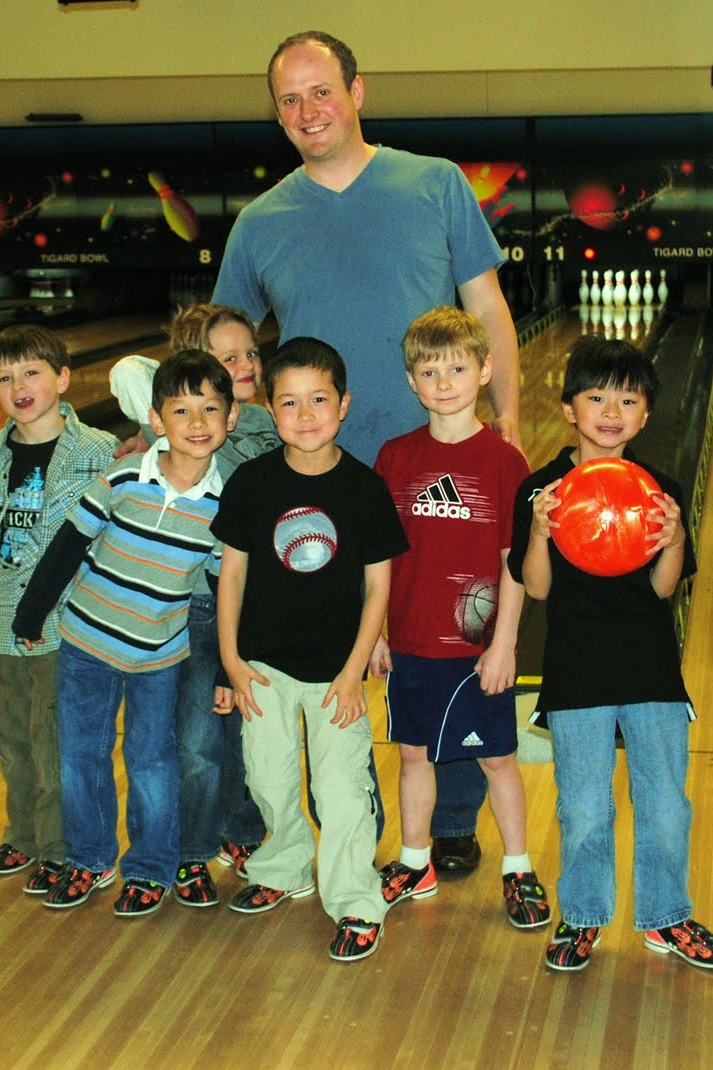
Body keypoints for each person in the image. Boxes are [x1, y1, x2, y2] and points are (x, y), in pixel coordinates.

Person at [213, 29, 523, 870]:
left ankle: (450, 821)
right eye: (289, 100)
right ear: (276, 115)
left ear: (358, 90)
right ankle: (362, 819)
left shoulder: (434, 183)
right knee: (328, 649)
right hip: (317, 475)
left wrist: (511, 420)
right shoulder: (260, 219)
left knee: (446, 638)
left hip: (440, 462)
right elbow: (225, 344)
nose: (308, 111)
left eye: (321, 91)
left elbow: (487, 308)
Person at [510, 336, 713, 974]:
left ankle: (668, 917)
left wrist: (674, 538)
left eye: (628, 400)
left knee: (665, 802)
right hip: (577, 671)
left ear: (645, 415)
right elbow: (537, 587)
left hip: (650, 670)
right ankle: (582, 917)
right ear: (568, 408)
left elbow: (664, 589)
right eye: (596, 396)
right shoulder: (542, 490)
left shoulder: (659, 488)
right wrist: (537, 530)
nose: (611, 411)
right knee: (583, 805)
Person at [13, 350, 237, 917]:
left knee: (152, 762)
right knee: (80, 755)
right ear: (156, 420)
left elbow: (226, 587)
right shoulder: (122, 478)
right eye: (181, 410)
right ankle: (89, 859)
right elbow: (69, 546)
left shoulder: (224, 504)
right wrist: (30, 613)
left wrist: (237, 662)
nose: (196, 422)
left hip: (160, 657)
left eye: (210, 409)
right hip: (87, 642)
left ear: (230, 419)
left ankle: (150, 868)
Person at [212, 337, 407, 962]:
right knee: (268, 778)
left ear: (343, 405)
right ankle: (285, 865)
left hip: (335, 672)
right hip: (262, 665)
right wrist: (231, 661)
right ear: (270, 407)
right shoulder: (251, 482)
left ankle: (354, 900)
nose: (304, 415)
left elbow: (379, 586)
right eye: (289, 402)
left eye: (318, 400)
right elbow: (233, 576)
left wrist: (355, 672)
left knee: (343, 787)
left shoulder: (364, 488)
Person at [369, 307, 548, 929]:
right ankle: (414, 860)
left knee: (498, 759)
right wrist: (375, 637)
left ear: (484, 370)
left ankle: (519, 867)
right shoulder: (395, 458)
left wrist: (505, 646)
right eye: (429, 370)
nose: (443, 381)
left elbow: (514, 564)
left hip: (476, 650)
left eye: (457, 367)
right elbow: (378, 559)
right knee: (414, 756)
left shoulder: (504, 463)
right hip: (412, 642)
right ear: (411, 380)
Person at [110, 304, 277, 907]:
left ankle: (244, 830)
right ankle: (191, 851)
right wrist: (164, 418)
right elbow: (129, 369)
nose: (246, 366)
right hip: (200, 606)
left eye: (251, 354)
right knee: (201, 739)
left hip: (263, 602)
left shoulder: (265, 421)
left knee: (249, 735)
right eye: (227, 359)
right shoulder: (185, 432)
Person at [0, 324, 117, 895]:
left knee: (54, 740)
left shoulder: (96, 449)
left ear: (63, 379)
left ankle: (59, 848)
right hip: (1, 617)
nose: (18, 386)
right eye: (5, 378)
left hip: (66, 621)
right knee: (11, 737)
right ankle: (23, 835)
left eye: (31, 373)